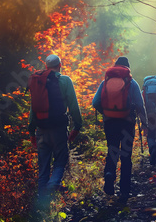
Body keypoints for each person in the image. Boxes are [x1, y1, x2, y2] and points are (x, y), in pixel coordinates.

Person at [27, 54, 82, 206]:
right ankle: (53, 186)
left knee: (43, 169)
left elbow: (33, 110)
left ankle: (42, 207)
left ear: (46, 67)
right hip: (58, 129)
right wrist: (77, 126)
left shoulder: (38, 81)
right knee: (60, 161)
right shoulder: (65, 80)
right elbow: (74, 107)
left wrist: (31, 132)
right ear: (60, 65)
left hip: (41, 130)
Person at [92, 56, 147, 202]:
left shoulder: (105, 82)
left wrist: (106, 113)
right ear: (127, 68)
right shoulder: (131, 82)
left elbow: (95, 102)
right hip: (127, 123)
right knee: (126, 155)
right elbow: (140, 105)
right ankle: (124, 190)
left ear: (115, 66)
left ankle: (109, 173)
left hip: (110, 123)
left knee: (112, 150)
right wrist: (144, 123)